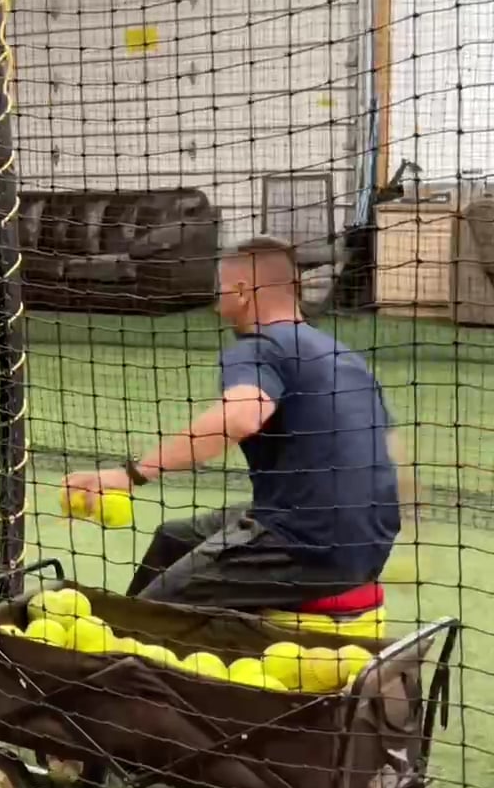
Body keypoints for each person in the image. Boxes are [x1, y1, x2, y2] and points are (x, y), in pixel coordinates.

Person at [63, 236, 400, 609]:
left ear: (241, 292)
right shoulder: (345, 356)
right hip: (367, 543)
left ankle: (134, 631)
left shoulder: (259, 346)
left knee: (156, 607)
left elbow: (241, 416)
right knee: (174, 538)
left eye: (220, 290)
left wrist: (131, 475)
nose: (215, 303)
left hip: (306, 547)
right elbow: (391, 448)